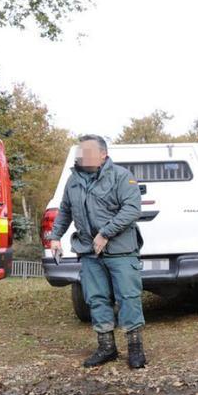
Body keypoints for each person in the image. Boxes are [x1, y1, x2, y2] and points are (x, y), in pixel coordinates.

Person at [46, 134, 147, 369]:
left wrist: (106, 233)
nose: (82, 156)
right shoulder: (73, 181)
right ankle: (106, 347)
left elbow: (132, 209)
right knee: (96, 298)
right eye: (80, 152)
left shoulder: (121, 176)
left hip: (121, 251)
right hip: (89, 252)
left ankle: (135, 349)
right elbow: (65, 211)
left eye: (88, 151)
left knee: (128, 297)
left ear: (103, 154)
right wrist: (55, 237)